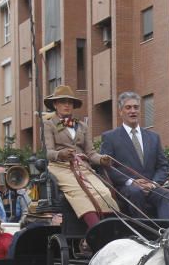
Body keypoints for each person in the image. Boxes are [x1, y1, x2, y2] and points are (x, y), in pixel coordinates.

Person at [42, 84, 117, 228]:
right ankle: (96, 231)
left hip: (83, 167)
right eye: (63, 101)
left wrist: (102, 159)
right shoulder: (49, 125)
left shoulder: (82, 126)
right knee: (80, 195)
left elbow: (91, 153)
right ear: (55, 104)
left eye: (70, 102)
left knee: (104, 192)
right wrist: (61, 154)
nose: (67, 105)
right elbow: (49, 153)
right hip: (61, 168)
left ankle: (110, 230)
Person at [100, 91, 169, 220]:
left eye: (136, 107)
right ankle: (145, 233)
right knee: (136, 192)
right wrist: (131, 182)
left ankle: (167, 233)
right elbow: (108, 168)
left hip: (151, 187)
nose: (133, 111)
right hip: (126, 188)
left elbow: (162, 166)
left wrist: (153, 184)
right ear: (120, 112)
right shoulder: (110, 137)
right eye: (128, 107)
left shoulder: (154, 137)